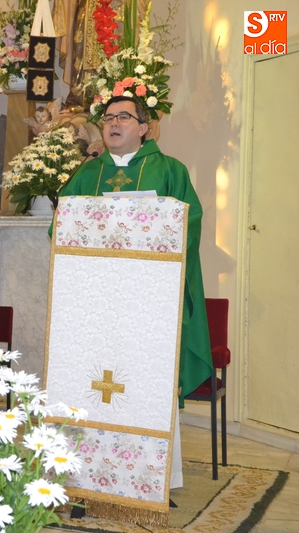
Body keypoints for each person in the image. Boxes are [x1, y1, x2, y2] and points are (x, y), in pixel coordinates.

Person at [55, 95, 214, 488]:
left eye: (123, 117)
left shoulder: (170, 170)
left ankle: (155, 481)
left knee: (148, 382)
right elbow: (60, 225)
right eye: (108, 117)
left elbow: (190, 222)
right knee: (91, 382)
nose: (113, 123)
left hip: (149, 306)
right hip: (97, 305)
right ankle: (86, 475)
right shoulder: (86, 174)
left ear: (143, 128)